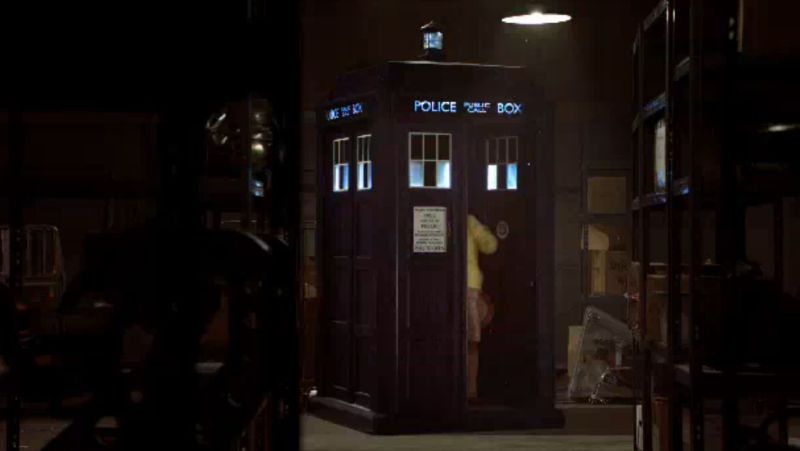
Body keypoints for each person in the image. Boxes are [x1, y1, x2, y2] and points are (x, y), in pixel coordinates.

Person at [466, 214, 498, 401]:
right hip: (469, 287)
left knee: (469, 341)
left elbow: (490, 246)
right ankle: (470, 390)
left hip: (455, 286)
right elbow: (490, 245)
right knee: (471, 342)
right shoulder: (468, 221)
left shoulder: (466, 221)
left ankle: (468, 390)